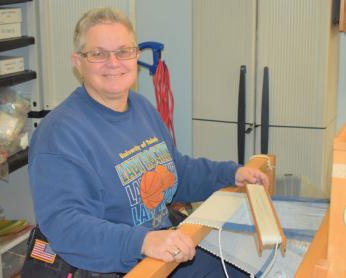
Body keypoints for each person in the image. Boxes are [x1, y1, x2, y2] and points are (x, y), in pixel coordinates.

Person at [28, 6, 269, 277]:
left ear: (136, 56)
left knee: (254, 264)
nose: (113, 62)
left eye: (123, 51)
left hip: (161, 251)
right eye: (98, 54)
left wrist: (230, 173)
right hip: (117, 265)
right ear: (77, 61)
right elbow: (66, 226)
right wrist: (142, 242)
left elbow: (176, 172)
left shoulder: (141, 108)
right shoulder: (59, 135)